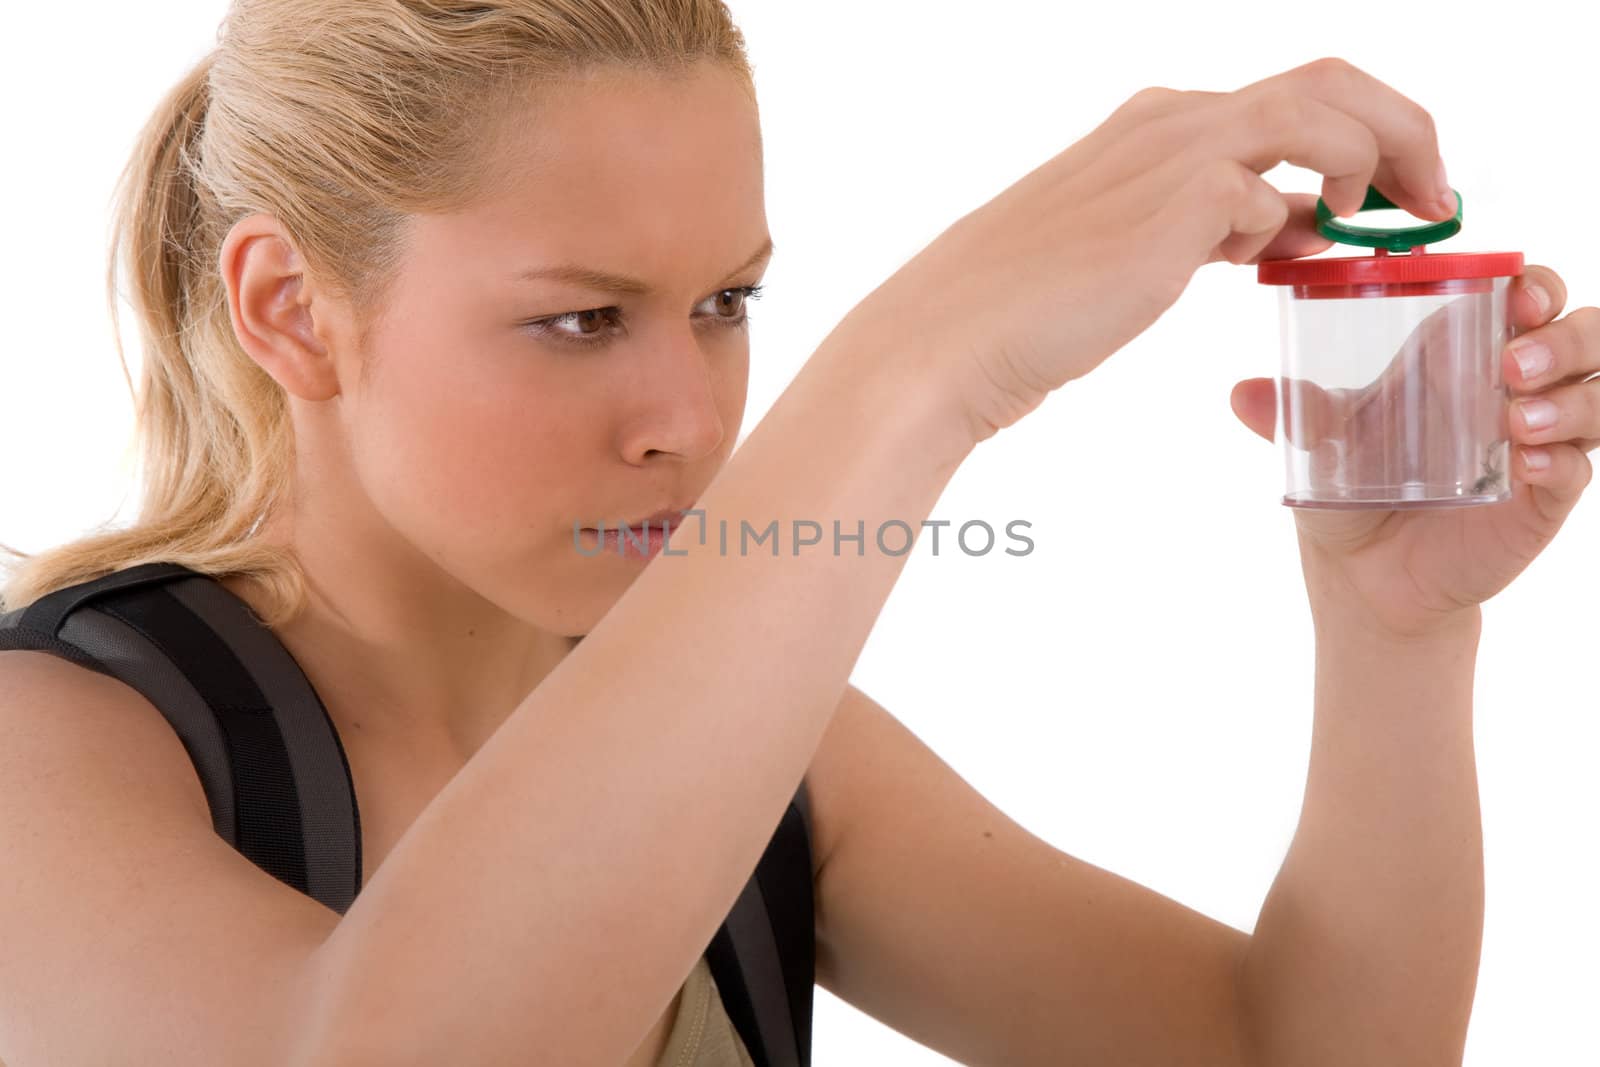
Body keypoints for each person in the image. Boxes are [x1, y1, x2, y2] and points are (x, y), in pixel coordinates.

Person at [0, 2, 1593, 1065]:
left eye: (724, 304)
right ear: (293, 310)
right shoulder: (56, 749)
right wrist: (918, 366)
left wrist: (1395, 628)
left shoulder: (781, 761)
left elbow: (1291, 1056)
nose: (687, 419)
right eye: (578, 320)